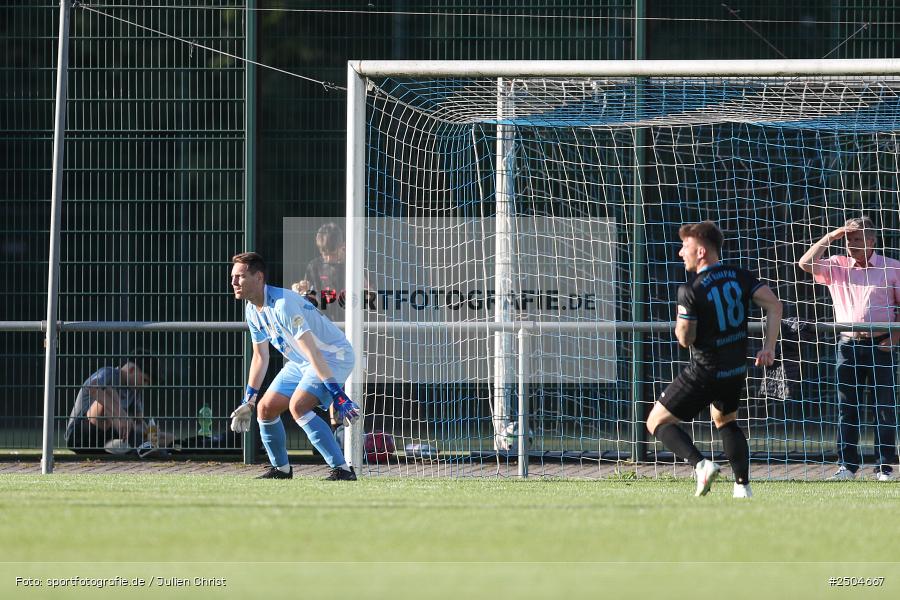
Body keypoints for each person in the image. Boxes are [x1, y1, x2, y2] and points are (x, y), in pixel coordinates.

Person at [646, 221, 783, 498]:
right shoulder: (740, 275)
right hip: (734, 369)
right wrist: (768, 347)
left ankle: (700, 465)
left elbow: (685, 339)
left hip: (704, 370)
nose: (680, 252)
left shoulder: (691, 289)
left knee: (656, 422)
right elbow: (774, 305)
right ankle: (743, 487)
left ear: (701, 252)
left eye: (685, 246)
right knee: (726, 421)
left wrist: (681, 326)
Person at [229, 251, 360, 480]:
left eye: (239, 276)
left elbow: (314, 352)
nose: (233, 282)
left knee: (298, 406)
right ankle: (281, 469)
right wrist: (248, 400)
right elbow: (260, 357)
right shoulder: (252, 310)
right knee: (265, 409)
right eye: (233, 277)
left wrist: (337, 394)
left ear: (258, 278)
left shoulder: (283, 304)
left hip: (333, 356)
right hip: (302, 361)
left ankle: (343, 470)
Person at [797, 216, 900, 482]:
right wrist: (831, 236)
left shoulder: (892, 268)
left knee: (884, 407)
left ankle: (884, 467)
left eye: (857, 239)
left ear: (872, 240)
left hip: (882, 346)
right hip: (848, 345)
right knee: (847, 407)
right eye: (848, 239)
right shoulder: (837, 266)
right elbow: (805, 263)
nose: (851, 244)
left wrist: (895, 338)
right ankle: (847, 466)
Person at [65, 353, 173, 455]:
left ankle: (142, 448)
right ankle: (132, 447)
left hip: (109, 435)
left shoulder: (135, 392)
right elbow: (93, 388)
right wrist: (120, 415)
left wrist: (150, 433)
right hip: (81, 434)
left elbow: (138, 422)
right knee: (110, 391)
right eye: (144, 380)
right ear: (131, 370)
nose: (144, 386)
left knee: (168, 437)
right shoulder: (109, 373)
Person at [291, 222, 346, 321]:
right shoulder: (314, 267)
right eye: (325, 254)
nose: (328, 258)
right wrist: (301, 289)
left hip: (349, 325)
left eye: (332, 254)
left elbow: (369, 295)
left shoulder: (354, 266)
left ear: (342, 246)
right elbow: (309, 297)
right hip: (323, 324)